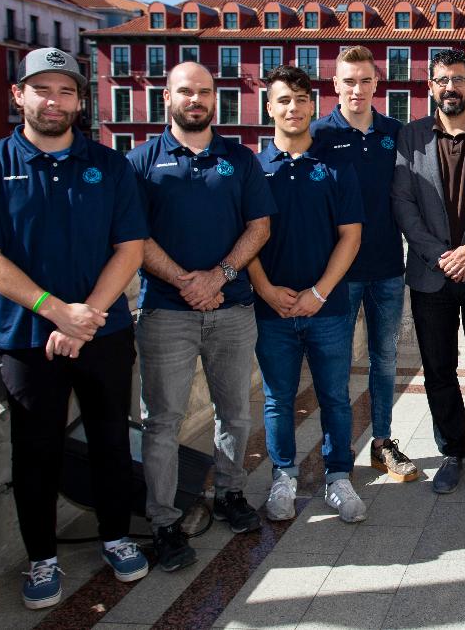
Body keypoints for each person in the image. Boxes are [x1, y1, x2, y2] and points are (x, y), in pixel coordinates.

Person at [0, 48, 149, 608]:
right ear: (18, 95)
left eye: (65, 90)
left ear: (79, 101)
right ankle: (41, 560)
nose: (54, 100)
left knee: (113, 440)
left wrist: (85, 315)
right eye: (41, 89)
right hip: (26, 339)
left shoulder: (109, 165)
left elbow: (130, 248)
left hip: (105, 332)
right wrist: (55, 309)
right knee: (34, 451)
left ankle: (116, 536)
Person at [128, 61, 275, 571]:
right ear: (165, 96)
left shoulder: (238, 158)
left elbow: (259, 226)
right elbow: (133, 237)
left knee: (234, 411)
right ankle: (164, 522)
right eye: (185, 92)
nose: (196, 100)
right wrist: (186, 282)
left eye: (204, 92)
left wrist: (220, 275)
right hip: (165, 313)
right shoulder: (141, 162)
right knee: (162, 422)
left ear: (216, 98)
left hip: (232, 308)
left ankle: (230, 495)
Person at [248, 65, 366, 523]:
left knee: (335, 395)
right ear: (269, 107)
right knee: (278, 398)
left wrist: (319, 292)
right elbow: (247, 237)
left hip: (328, 308)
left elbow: (350, 238)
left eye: (300, 99)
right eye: (283, 100)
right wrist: (265, 288)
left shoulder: (336, 168)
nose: (292, 108)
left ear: (312, 105)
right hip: (271, 308)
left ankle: (339, 478)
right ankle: (283, 478)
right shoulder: (253, 170)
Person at [391, 49, 465, 494]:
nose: (450, 87)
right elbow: (404, 205)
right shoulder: (410, 137)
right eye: (441, 80)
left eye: (458, 79)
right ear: (429, 87)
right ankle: (452, 451)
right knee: (438, 368)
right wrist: (442, 256)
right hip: (431, 275)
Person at [311, 46, 417, 483]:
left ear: (377, 84)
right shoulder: (317, 133)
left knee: (385, 360)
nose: (357, 89)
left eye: (364, 80)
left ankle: (383, 443)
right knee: (334, 366)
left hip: (388, 267)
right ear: (335, 84)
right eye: (348, 80)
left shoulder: (396, 132)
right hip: (337, 274)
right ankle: (336, 453)